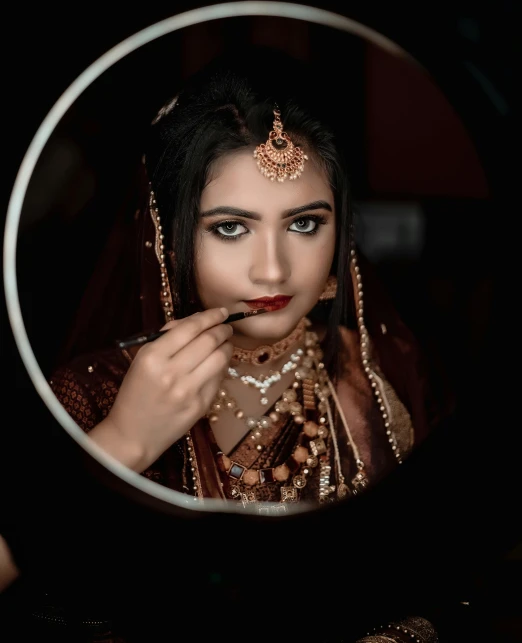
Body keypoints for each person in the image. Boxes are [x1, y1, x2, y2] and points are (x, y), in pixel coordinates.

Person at [44, 49, 448, 641]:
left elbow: (433, 580)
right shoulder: (92, 395)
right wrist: (123, 444)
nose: (273, 271)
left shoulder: (382, 375)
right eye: (230, 228)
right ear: (169, 241)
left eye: (304, 224)